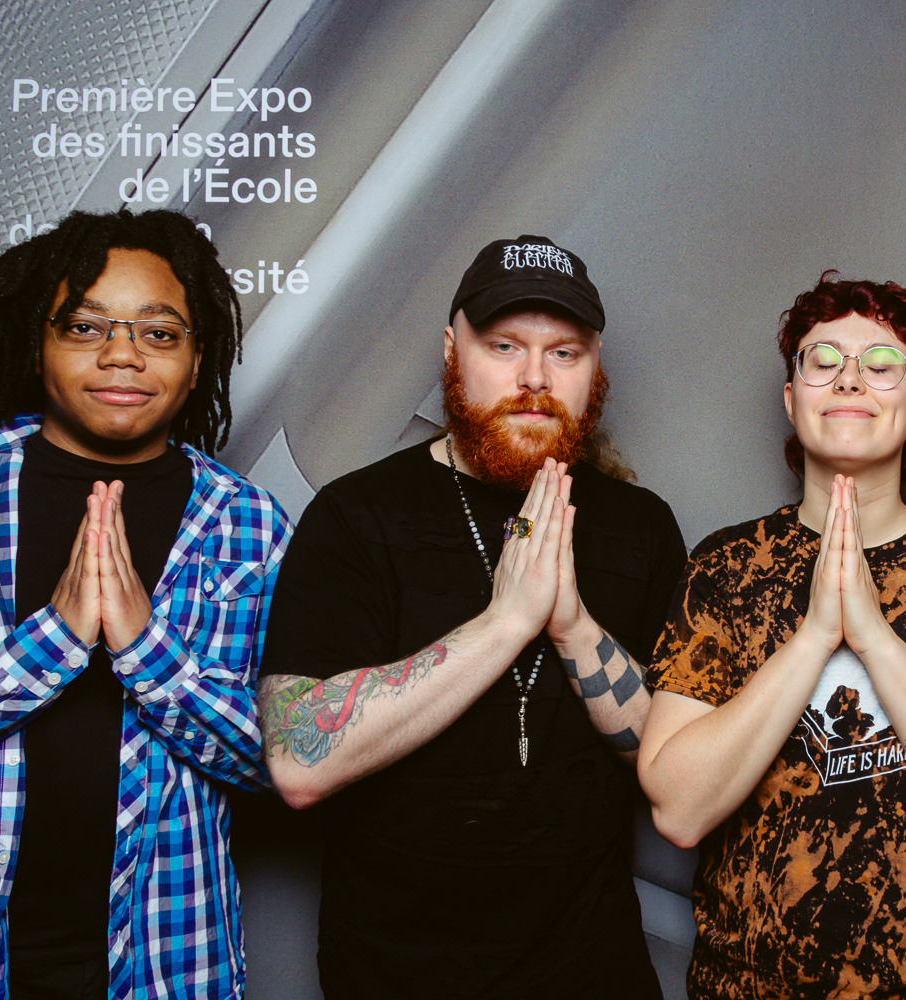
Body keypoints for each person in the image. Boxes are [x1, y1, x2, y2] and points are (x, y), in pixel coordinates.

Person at [257, 235, 687, 998]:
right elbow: (299, 762)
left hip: (593, 972)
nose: (534, 378)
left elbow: (680, 772)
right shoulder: (358, 517)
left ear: (595, 368)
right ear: (452, 352)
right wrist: (504, 623)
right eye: (503, 346)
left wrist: (572, 625)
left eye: (564, 353)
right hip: (396, 977)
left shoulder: (641, 527)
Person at [639, 273, 906, 999]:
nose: (850, 378)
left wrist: (876, 637)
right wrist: (814, 637)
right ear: (791, 399)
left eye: (882, 364)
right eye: (822, 361)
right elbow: (680, 809)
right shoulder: (726, 567)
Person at [0, 209, 292, 999]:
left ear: (199, 359)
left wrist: (146, 651)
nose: (122, 355)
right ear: (36, 344)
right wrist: (53, 642)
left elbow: (284, 762)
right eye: (85, 326)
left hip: (167, 960)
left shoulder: (247, 526)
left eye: (159, 333)